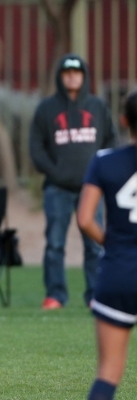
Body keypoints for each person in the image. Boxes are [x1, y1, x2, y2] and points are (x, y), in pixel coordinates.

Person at [29, 53, 117, 310]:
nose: (71, 76)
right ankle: (55, 295)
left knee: (94, 244)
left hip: (92, 189)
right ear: (60, 76)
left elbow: (110, 141)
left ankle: (95, 295)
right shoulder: (46, 109)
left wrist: (102, 172)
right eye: (67, 72)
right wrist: (55, 172)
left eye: (76, 72)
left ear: (84, 76)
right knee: (55, 244)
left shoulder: (98, 107)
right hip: (57, 189)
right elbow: (36, 148)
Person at [78, 90, 137, 400]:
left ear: (124, 120)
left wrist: (112, 245)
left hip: (119, 270)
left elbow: (86, 219)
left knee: (109, 372)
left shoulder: (104, 162)